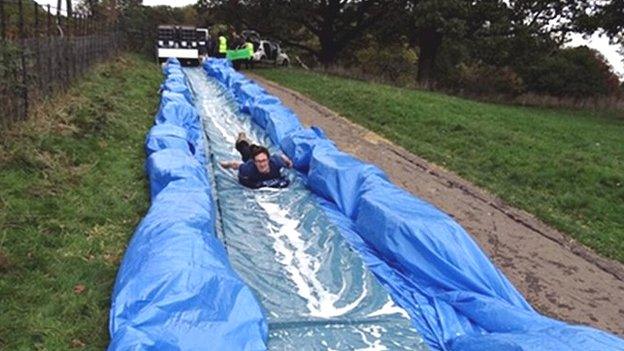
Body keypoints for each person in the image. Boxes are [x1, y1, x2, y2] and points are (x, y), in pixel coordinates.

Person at [220, 132, 293, 189]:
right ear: (254, 162)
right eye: (259, 161)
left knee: (256, 150)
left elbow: (283, 157)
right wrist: (226, 164)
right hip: (249, 158)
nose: (262, 164)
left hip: (270, 158)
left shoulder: (276, 163)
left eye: (264, 161)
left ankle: (253, 147)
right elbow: (236, 165)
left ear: (268, 160)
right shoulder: (248, 168)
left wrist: (289, 163)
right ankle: (242, 139)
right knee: (244, 149)